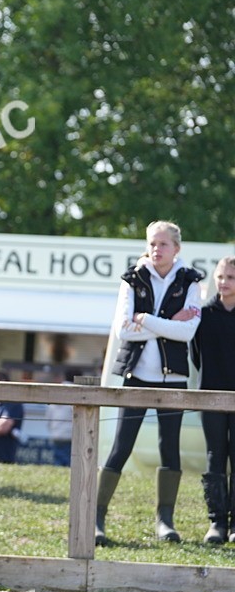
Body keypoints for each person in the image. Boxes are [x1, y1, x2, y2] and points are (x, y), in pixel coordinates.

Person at [95, 220, 202, 545]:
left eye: (163, 244)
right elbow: (123, 330)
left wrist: (147, 320)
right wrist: (168, 323)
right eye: (152, 243)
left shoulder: (191, 280)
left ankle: (164, 521)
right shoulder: (132, 278)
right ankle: (96, 519)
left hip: (174, 379)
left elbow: (188, 332)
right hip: (136, 376)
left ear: (177, 248)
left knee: (170, 448)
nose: (157, 249)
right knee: (121, 446)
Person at [192, 256, 235, 544]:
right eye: (220, 276)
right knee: (214, 457)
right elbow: (196, 355)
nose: (223, 282)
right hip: (212, 395)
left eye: (230, 277)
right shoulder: (204, 314)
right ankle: (217, 523)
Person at [44, 367, 84, 467]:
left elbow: (48, 415)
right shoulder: (78, 392)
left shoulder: (56, 391)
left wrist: (52, 429)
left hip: (56, 433)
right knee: (71, 462)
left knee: (58, 461)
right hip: (71, 434)